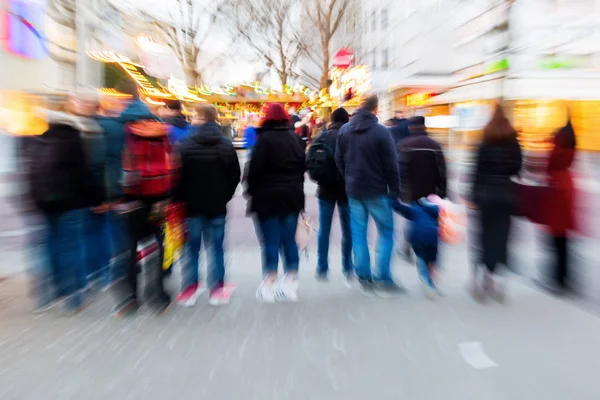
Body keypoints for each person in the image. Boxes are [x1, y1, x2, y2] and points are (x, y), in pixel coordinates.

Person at [28, 95, 104, 314]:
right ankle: (74, 298)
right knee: (72, 247)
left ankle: (46, 296)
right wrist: (96, 197)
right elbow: (83, 174)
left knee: (49, 246)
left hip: (45, 201)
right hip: (71, 202)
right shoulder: (74, 138)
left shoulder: (41, 139)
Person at [113, 82, 178, 315]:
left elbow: (115, 165)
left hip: (132, 198)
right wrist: (170, 194)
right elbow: (174, 162)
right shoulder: (161, 130)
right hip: (159, 197)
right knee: (158, 245)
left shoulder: (122, 131)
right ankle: (158, 296)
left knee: (129, 247)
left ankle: (130, 299)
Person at [335, 94, 402, 295]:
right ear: (375, 110)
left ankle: (363, 275)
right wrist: (395, 188)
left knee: (358, 233)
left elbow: (338, 159)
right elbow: (391, 164)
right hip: (377, 189)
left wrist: (348, 177)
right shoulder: (381, 132)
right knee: (386, 231)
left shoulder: (344, 130)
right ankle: (383, 275)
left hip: (354, 189)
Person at [175, 104, 241, 307]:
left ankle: (190, 288)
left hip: (192, 206)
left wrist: (181, 198)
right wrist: (225, 196)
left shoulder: (184, 144)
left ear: (200, 118)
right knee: (217, 249)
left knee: (191, 249)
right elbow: (235, 176)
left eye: (194, 116)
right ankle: (217, 289)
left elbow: (177, 177)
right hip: (217, 206)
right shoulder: (225, 144)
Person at [246, 103, 305, 302]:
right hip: (291, 196)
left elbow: (253, 171)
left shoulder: (263, 140)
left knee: (270, 240)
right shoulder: (295, 139)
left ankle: (269, 283)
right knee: (289, 239)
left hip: (267, 197)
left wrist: (251, 192)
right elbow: (301, 169)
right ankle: (290, 282)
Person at [471, 106, 522, 301]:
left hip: (486, 194)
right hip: (506, 194)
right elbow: (517, 168)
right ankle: (499, 281)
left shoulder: (484, 142)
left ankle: (485, 277)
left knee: (484, 236)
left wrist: (474, 196)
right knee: (502, 237)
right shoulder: (513, 142)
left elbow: (477, 170)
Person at [307, 108, 353, 282]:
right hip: (346, 190)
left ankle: (322, 267)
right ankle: (348, 266)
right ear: (346, 119)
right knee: (348, 230)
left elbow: (309, 159)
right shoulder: (350, 137)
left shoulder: (322, 136)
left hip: (325, 189)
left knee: (324, 229)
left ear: (332, 120)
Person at [538, 119, 577, 294]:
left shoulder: (557, 153)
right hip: (565, 191)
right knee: (563, 241)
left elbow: (548, 168)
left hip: (557, 194)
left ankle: (558, 279)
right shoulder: (569, 152)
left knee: (556, 240)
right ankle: (563, 278)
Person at [392, 197, 440, 298]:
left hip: (417, 238)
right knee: (431, 262)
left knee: (421, 260)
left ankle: (426, 281)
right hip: (433, 238)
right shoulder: (436, 211)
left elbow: (400, 208)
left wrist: (393, 198)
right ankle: (431, 283)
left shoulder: (415, 210)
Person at [398, 116, 447, 203]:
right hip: (431, 192)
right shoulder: (434, 145)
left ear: (410, 128)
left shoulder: (404, 145)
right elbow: (442, 170)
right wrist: (443, 191)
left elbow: (400, 170)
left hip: (410, 193)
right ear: (424, 127)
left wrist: (402, 192)